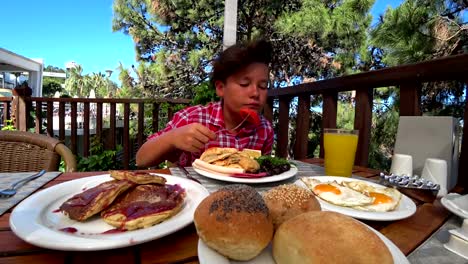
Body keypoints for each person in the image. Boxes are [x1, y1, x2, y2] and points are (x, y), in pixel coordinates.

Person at [136, 39, 274, 167]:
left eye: (263, 86)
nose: (255, 93)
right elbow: (141, 159)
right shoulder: (192, 118)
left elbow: (260, 173)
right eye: (245, 84)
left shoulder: (264, 129)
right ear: (220, 88)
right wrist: (172, 138)